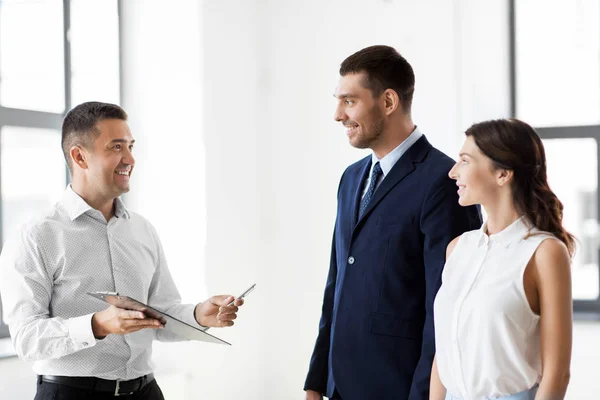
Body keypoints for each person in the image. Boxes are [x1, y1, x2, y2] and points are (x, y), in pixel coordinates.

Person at [0, 101, 244, 400]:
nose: (130, 158)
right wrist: (97, 324)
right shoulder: (37, 235)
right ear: (80, 156)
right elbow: (26, 339)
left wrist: (197, 315)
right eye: (116, 147)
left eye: (130, 146)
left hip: (146, 391)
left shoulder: (142, 230)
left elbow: (158, 316)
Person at [303, 45, 481, 400]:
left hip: (397, 389)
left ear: (388, 102)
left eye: (349, 101)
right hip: (339, 387)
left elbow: (445, 310)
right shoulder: (351, 179)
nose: (338, 114)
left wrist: (423, 396)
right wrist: (316, 381)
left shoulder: (444, 181)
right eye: (338, 101)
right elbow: (336, 286)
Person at [430, 119, 573, 400]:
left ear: (502, 174)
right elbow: (444, 350)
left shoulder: (545, 252)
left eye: (465, 161)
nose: (452, 172)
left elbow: (557, 374)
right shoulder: (458, 249)